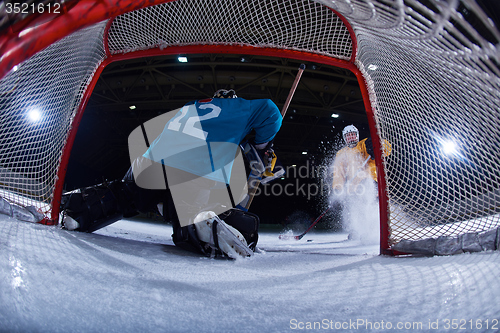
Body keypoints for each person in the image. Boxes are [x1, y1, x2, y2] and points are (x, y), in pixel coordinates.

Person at [60, 89, 283, 258]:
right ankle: (196, 221)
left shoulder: (191, 106)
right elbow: (271, 112)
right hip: (196, 170)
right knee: (197, 203)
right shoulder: (242, 107)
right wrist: (261, 146)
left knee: (125, 196)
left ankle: (78, 211)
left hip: (149, 163)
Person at [330, 125, 391, 241]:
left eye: (353, 134)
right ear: (344, 138)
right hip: (353, 188)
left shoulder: (364, 144)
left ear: (357, 136)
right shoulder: (341, 153)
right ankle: (357, 230)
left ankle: (377, 229)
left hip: (371, 182)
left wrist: (376, 146)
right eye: (348, 135)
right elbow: (338, 173)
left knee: (371, 205)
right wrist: (338, 188)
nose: (351, 137)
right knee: (353, 208)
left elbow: (386, 148)